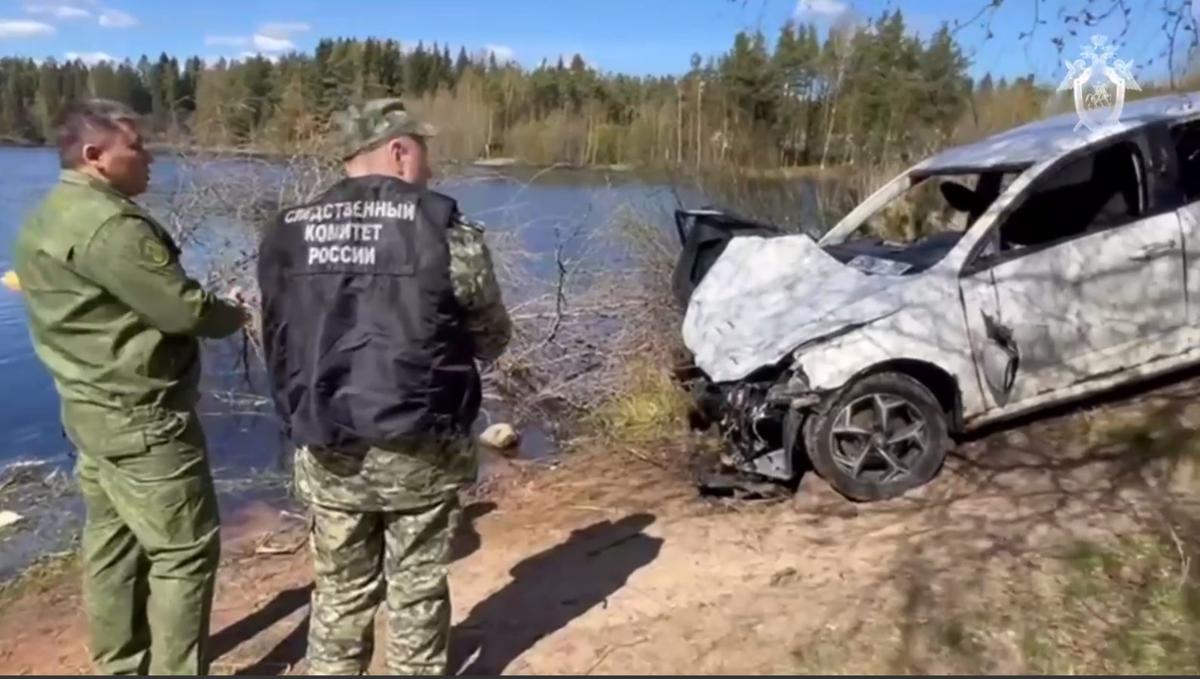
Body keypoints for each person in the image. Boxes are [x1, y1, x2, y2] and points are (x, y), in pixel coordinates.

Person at [257, 99, 512, 675]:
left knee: (341, 594)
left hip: (326, 442)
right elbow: (490, 337)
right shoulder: (445, 230)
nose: (429, 165)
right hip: (419, 444)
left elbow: (276, 336)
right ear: (399, 151)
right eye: (423, 150)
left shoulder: (286, 231)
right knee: (416, 590)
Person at [12, 99, 246, 675]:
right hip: (144, 419)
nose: (150, 158)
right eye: (136, 147)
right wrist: (234, 313)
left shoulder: (48, 213)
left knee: (113, 545)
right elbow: (184, 309)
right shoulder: (113, 227)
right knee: (185, 553)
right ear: (95, 157)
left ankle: (119, 664)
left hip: (89, 411)